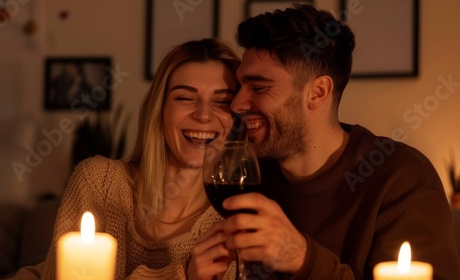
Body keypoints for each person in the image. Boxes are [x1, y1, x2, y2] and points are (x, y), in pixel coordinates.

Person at [189, 4, 460, 280]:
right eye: (239, 88)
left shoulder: (400, 177)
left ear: (317, 93)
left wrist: (302, 258)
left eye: (259, 87)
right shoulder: (251, 174)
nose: (237, 104)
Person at [13, 38, 240, 279]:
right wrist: (182, 275)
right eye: (185, 98)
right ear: (159, 109)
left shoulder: (235, 218)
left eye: (223, 101)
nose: (204, 115)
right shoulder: (98, 182)